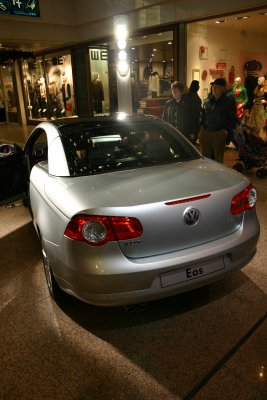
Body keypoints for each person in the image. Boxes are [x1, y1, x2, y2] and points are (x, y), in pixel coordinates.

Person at [199, 77, 236, 163]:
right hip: (207, 132)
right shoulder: (207, 101)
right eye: (213, 86)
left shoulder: (228, 102)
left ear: (223, 88)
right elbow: (203, 117)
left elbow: (232, 119)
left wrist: (227, 132)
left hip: (219, 132)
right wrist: (201, 128)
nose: (214, 88)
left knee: (217, 159)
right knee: (206, 158)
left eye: (217, 86)